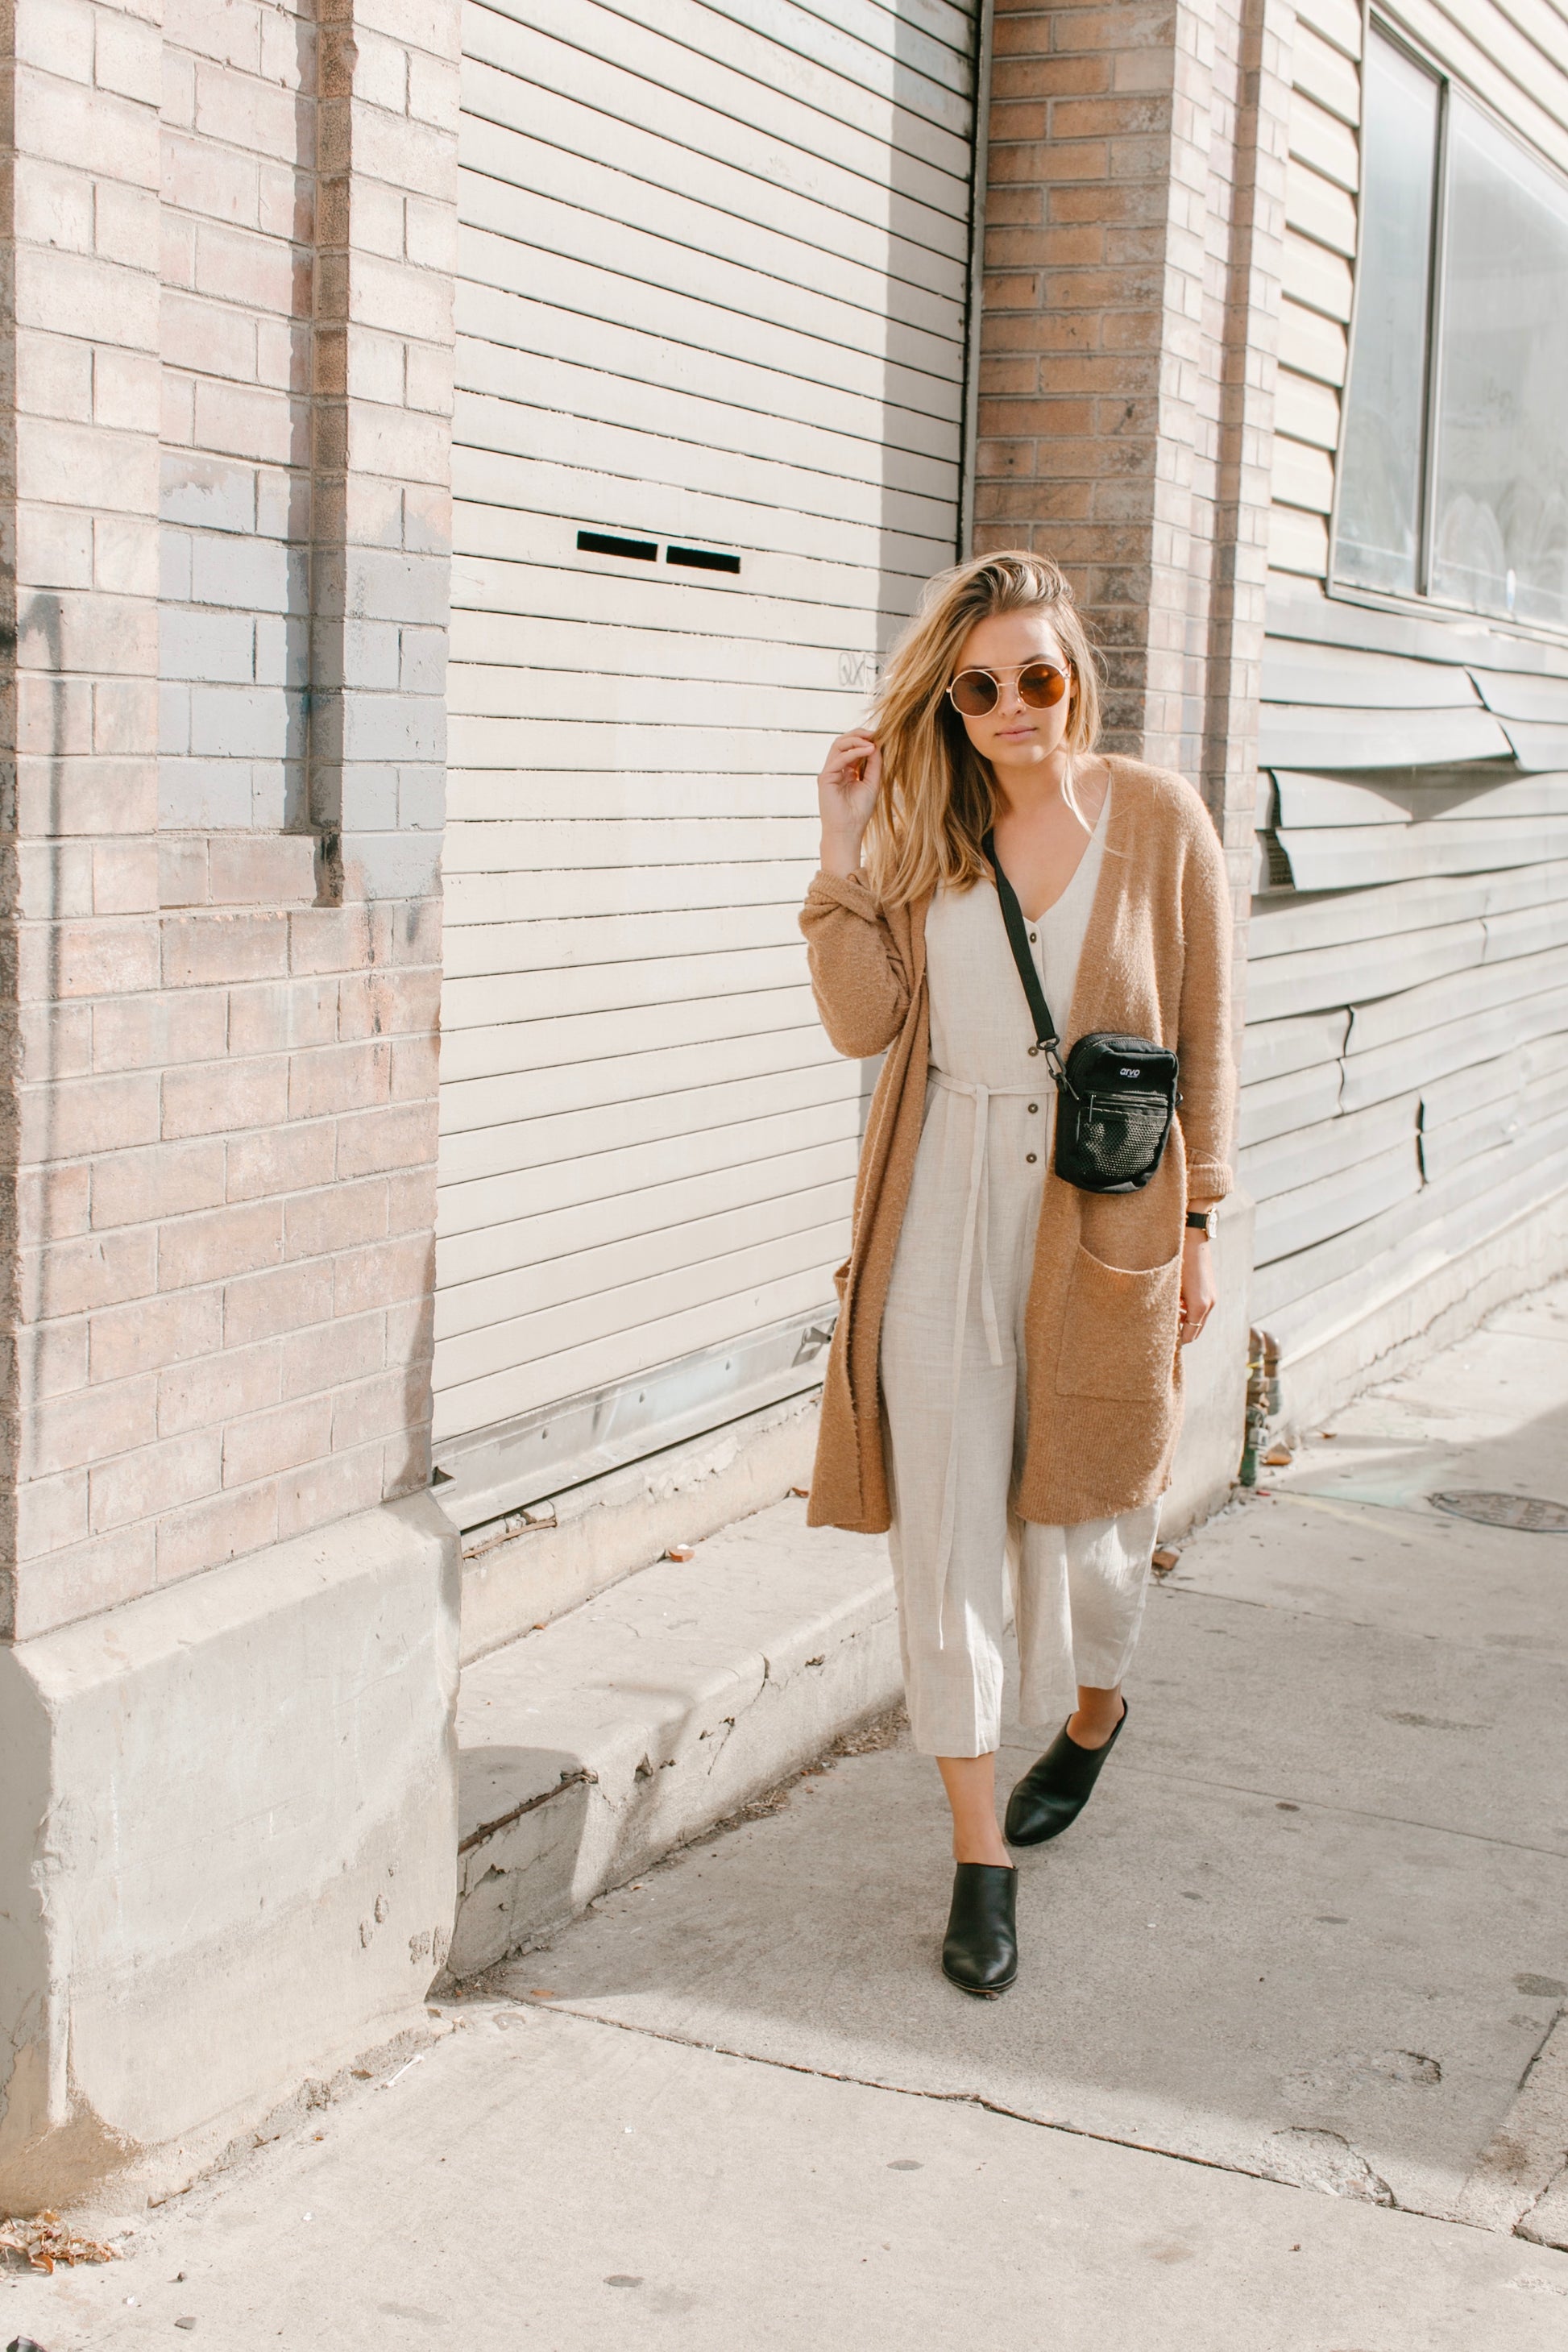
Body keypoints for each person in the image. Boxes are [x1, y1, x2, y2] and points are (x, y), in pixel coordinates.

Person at [800, 551, 1234, 1997]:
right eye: (977, 684)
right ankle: (978, 1856)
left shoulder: (1157, 820)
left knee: (1092, 1528)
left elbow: (1206, 1031)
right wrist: (841, 851)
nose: (1007, 707)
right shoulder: (930, 827)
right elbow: (864, 1029)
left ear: (1074, 679)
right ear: (950, 697)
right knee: (947, 1540)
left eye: (1033, 678)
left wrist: (1200, 1223)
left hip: (1097, 1212)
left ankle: (1098, 1712)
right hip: (939, 1209)